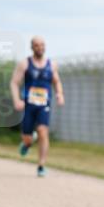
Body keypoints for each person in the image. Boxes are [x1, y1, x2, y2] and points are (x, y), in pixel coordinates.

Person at [10, 36, 65, 177]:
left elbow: (56, 81)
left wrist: (59, 93)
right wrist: (17, 100)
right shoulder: (24, 64)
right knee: (27, 137)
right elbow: (14, 83)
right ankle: (28, 143)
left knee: (43, 131)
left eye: (42, 45)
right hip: (29, 105)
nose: (40, 47)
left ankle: (41, 165)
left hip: (43, 105)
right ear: (32, 47)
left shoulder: (51, 65)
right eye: (37, 45)